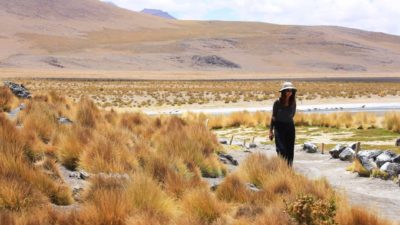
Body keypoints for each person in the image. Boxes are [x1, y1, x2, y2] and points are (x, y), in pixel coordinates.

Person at [269, 81, 297, 166]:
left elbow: (292, 115)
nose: (289, 92)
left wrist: (287, 120)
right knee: (281, 149)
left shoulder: (293, 102)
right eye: (287, 90)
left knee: (289, 149)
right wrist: (271, 131)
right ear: (283, 92)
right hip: (279, 127)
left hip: (290, 127)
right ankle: (282, 167)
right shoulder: (277, 102)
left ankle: (288, 168)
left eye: (290, 90)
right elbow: (273, 117)